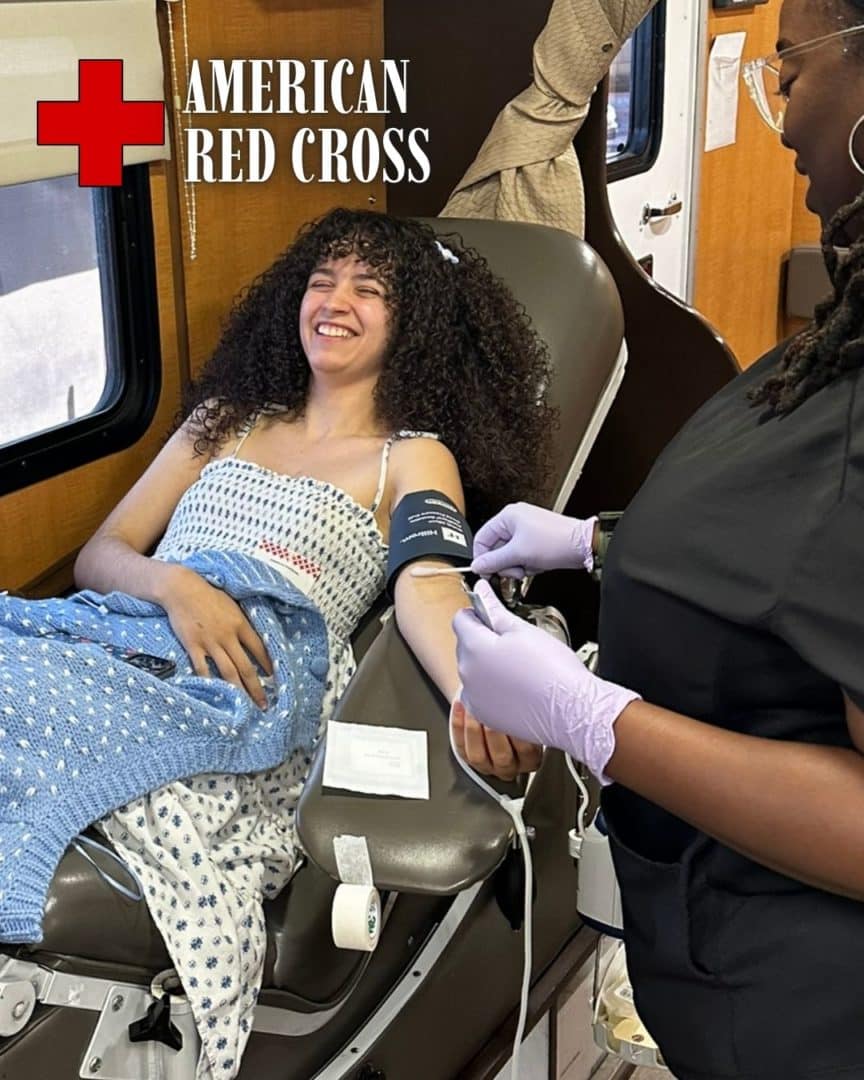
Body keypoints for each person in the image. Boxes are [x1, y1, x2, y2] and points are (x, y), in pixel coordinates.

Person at [0, 207, 552, 1078]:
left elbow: (428, 588)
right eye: (322, 281)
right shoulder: (226, 420)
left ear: (412, 328)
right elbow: (104, 553)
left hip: (250, 686)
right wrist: (176, 585)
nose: (336, 302)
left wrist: (480, 688)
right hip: (137, 632)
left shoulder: (411, 458)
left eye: (369, 291)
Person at [453, 2, 864, 1077]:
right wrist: (603, 547)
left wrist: (590, 716)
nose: (779, 121)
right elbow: (804, 532)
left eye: (789, 75)